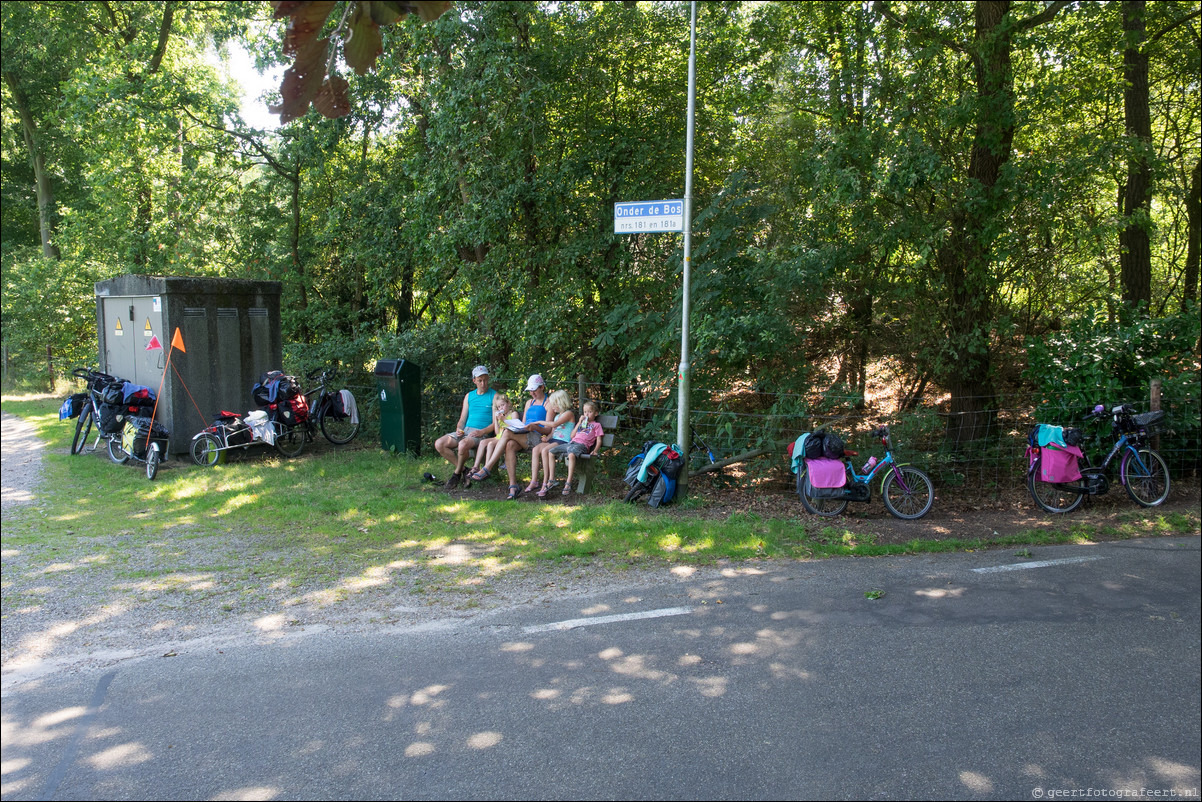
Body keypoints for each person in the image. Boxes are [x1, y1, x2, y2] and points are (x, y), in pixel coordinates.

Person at [470, 374, 550, 499]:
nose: (532, 393)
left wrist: (534, 427)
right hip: (525, 435)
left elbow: (548, 428)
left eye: (534, 390)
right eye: (530, 390)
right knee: (509, 445)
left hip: (538, 438)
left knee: (506, 433)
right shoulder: (529, 402)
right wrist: (520, 427)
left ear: (542, 387)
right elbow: (523, 423)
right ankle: (513, 486)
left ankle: (487, 468)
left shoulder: (548, 403)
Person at [435, 366, 496, 489]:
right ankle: (465, 470)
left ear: (488, 378)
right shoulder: (469, 396)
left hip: (482, 434)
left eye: (485, 380)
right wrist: (459, 429)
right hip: (466, 431)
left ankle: (456, 474)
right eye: (480, 380)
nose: (483, 383)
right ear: (474, 381)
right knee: (439, 444)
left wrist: (482, 431)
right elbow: (462, 419)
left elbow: (496, 423)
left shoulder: (494, 396)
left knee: (462, 445)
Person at [550, 400, 605, 496]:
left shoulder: (597, 425)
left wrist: (595, 451)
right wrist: (579, 422)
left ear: (596, 413)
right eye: (585, 412)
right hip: (572, 443)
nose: (587, 414)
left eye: (589, 412)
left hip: (582, 446)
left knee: (571, 454)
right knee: (551, 451)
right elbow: (572, 436)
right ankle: (551, 479)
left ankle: (568, 483)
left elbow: (599, 440)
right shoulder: (582, 423)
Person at [464, 392, 518, 488]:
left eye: (503, 405)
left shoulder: (514, 414)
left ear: (509, 403)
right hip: (499, 437)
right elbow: (497, 432)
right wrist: (496, 420)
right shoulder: (501, 416)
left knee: (489, 444)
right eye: (499, 407)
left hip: (506, 438)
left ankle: (487, 468)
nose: (501, 408)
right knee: (483, 442)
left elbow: (515, 427)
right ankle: (476, 467)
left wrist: (504, 419)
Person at [527, 390, 576, 496]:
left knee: (545, 450)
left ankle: (548, 481)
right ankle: (534, 481)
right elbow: (553, 432)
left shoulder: (568, 414)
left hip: (563, 441)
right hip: (555, 440)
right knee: (536, 449)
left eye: (554, 405)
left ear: (560, 403)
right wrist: (547, 438)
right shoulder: (557, 415)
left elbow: (554, 425)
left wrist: (539, 422)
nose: (552, 408)